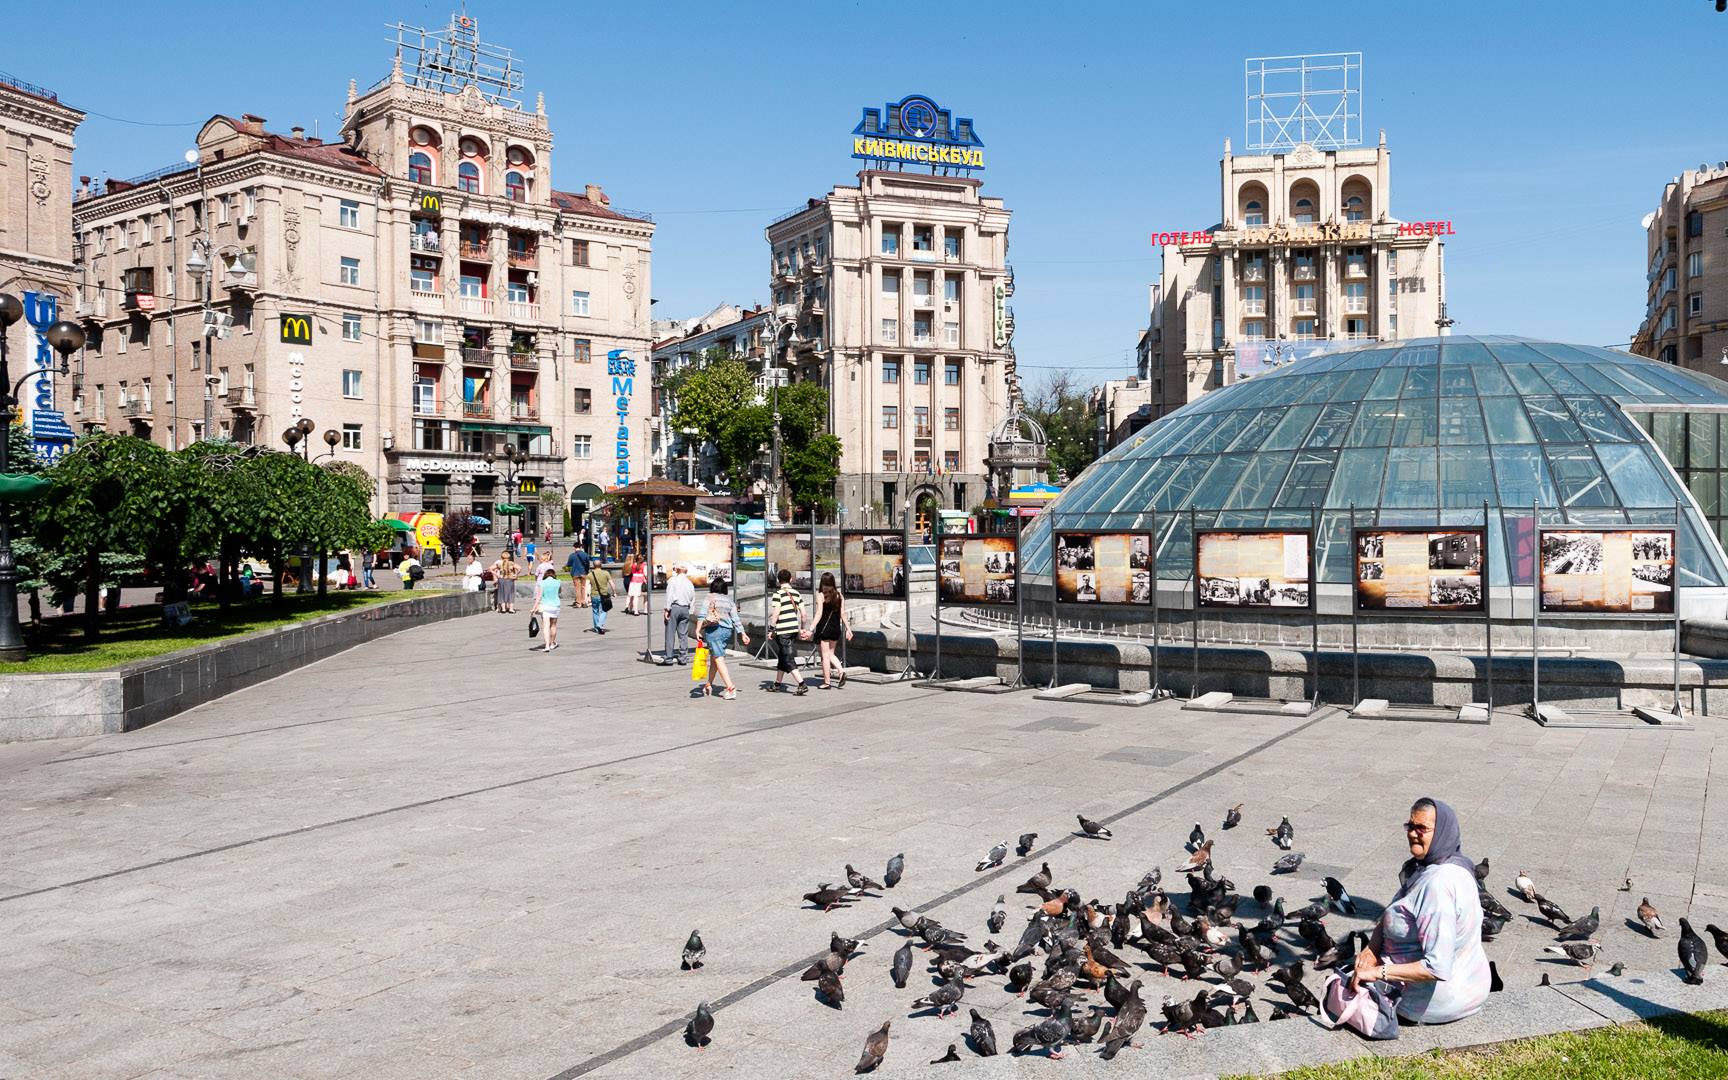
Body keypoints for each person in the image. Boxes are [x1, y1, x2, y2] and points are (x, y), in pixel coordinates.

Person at [1352, 797, 1491, 1025]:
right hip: (1469, 987)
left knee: (1342, 992)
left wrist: (1377, 972)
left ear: (1441, 833)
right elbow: (1396, 915)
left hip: (1432, 1002)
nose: (1413, 833)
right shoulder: (1452, 865)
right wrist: (1371, 949)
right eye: (1410, 826)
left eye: (1422, 828)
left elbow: (1436, 967)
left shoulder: (1437, 885)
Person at [700, 577, 749, 699]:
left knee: (718, 658)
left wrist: (697, 630)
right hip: (727, 632)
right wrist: (742, 633)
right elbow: (735, 619)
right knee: (715, 658)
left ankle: (730, 687)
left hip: (714, 630)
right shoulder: (729, 601)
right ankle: (709, 684)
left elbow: (701, 615)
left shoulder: (709, 597)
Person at [768, 568, 810, 695]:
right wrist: (802, 628)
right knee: (783, 656)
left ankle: (802, 684)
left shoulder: (778, 594)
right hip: (793, 628)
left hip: (783, 630)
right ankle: (777, 684)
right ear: (791, 579)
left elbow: (776, 614)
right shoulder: (797, 593)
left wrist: (771, 629)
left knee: (788, 658)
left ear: (778, 580)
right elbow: (804, 614)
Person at [811, 571, 852, 689]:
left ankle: (827, 682)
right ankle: (841, 671)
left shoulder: (821, 595)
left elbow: (819, 614)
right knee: (831, 654)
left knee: (825, 656)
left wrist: (810, 628)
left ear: (822, 583)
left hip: (824, 629)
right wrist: (849, 629)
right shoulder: (839, 595)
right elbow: (843, 614)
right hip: (835, 629)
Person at [660, 563, 695, 665]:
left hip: (675, 608)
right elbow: (693, 598)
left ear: (677, 570)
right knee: (683, 634)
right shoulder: (689, 583)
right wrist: (690, 611)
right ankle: (683, 657)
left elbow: (669, 596)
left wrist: (667, 609)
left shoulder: (672, 580)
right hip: (685, 609)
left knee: (670, 633)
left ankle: (668, 657)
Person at [530, 565, 562, 652]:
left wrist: (534, 608)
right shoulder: (558, 582)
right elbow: (559, 592)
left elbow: (539, 597)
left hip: (545, 606)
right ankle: (552, 643)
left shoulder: (542, 583)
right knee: (553, 625)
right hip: (555, 606)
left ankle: (547, 645)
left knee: (546, 626)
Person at [587, 560, 614, 635]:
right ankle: (600, 625)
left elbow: (586, 586)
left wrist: (587, 596)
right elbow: (612, 583)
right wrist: (614, 592)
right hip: (604, 595)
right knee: (604, 610)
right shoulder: (606, 573)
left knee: (595, 611)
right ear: (601, 565)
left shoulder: (589, 575)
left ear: (593, 565)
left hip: (594, 595)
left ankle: (596, 628)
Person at [566, 543, 592, 608]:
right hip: (583, 573)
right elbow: (588, 564)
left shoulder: (572, 555)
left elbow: (568, 564)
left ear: (574, 547)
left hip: (575, 573)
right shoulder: (585, 554)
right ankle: (584, 601)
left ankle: (578, 602)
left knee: (577, 588)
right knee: (583, 587)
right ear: (580, 547)